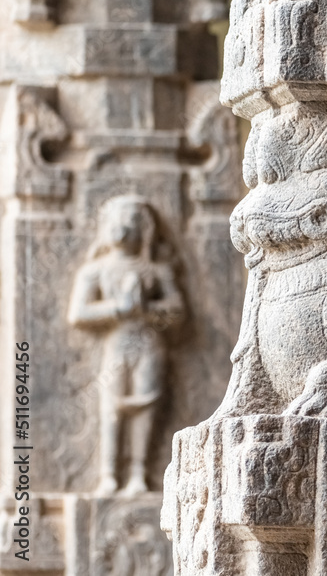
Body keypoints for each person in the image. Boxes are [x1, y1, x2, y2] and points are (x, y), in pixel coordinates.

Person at [68, 195, 185, 495]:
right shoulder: (95, 270)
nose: (123, 227)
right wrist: (118, 309)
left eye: (132, 220)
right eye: (118, 220)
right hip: (118, 344)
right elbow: (78, 313)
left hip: (149, 343)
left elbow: (178, 309)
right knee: (112, 405)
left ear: (145, 229)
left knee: (145, 403)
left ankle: (138, 473)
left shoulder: (157, 270)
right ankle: (109, 473)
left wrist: (149, 310)